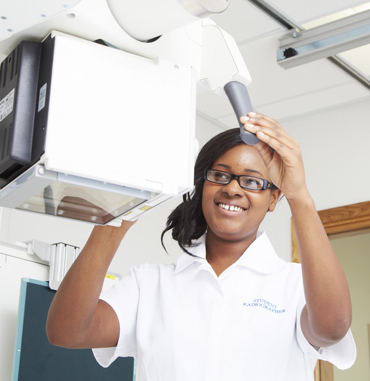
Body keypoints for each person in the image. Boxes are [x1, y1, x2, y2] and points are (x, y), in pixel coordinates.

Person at [46, 113, 356, 380]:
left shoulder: (294, 286)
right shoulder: (150, 285)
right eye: (220, 175)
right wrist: (121, 214)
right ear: (202, 186)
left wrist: (299, 194)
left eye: (251, 182)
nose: (232, 188)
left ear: (274, 198)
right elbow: (66, 331)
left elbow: (331, 329)